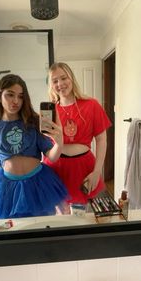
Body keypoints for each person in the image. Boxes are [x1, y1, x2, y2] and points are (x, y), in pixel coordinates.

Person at [0, 74, 68, 219]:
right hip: (7, 188)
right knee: (14, 233)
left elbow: (52, 157)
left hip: (38, 184)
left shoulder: (34, 122)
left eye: (20, 96)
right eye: (10, 95)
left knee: (41, 227)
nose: (16, 101)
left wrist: (59, 142)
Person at [43, 62, 112, 206]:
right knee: (62, 216)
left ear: (71, 78)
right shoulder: (50, 111)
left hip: (84, 168)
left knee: (87, 215)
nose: (60, 84)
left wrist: (97, 171)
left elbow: (101, 140)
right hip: (56, 169)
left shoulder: (91, 105)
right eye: (55, 81)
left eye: (63, 78)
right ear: (51, 85)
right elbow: (45, 145)